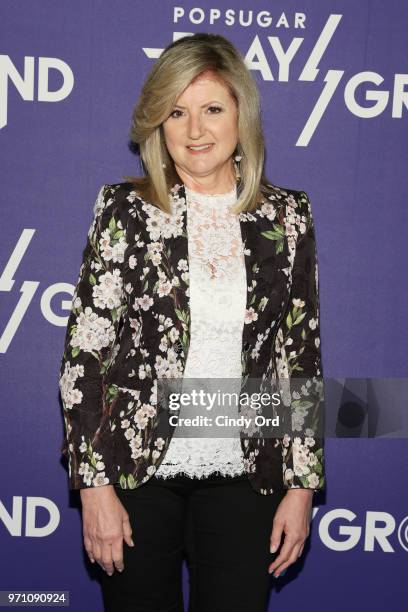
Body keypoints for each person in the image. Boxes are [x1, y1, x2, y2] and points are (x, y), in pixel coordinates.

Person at [58, 32, 325, 612]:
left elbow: (298, 357)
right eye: (177, 112)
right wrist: (94, 484)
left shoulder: (288, 217)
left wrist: (302, 486)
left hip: (245, 474)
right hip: (134, 476)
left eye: (212, 109)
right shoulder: (126, 211)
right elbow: (85, 357)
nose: (195, 130)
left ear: (241, 116)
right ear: (158, 124)